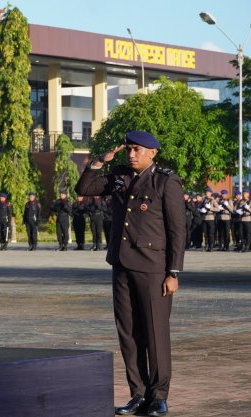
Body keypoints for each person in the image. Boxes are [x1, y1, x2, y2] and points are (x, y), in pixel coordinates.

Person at [75, 131, 185, 417]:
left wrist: (173, 272)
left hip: (153, 268)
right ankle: (138, 393)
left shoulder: (165, 180)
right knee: (128, 333)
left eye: (137, 150)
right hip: (122, 264)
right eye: (129, 149)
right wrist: (100, 161)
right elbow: (84, 188)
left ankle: (158, 396)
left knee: (155, 333)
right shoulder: (120, 176)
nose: (131, 154)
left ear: (152, 152)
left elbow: (177, 230)